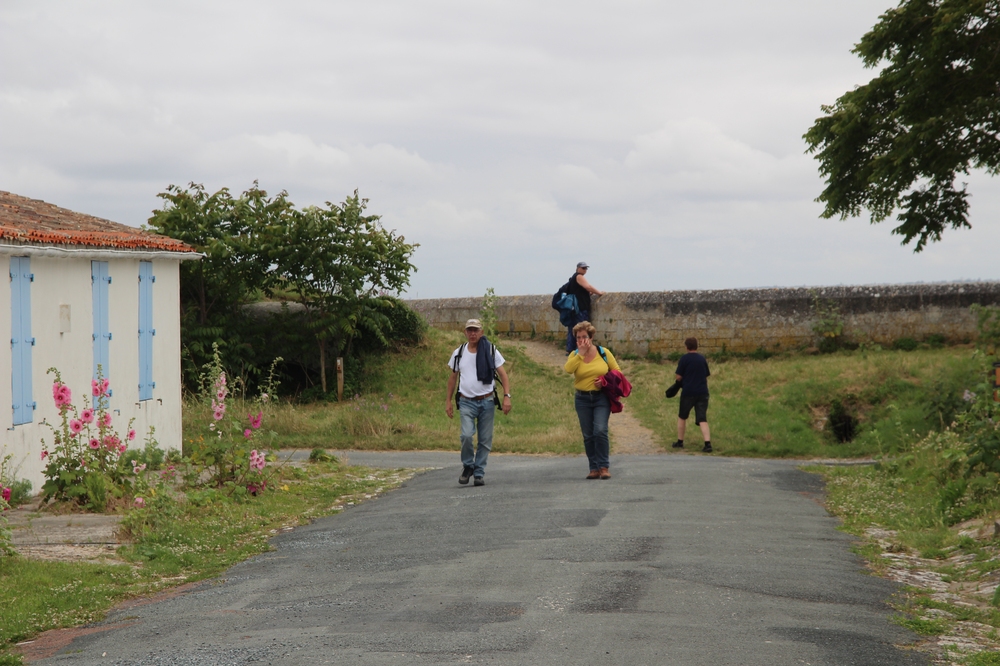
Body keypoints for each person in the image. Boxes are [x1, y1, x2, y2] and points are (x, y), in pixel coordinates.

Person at [445, 319, 512, 486]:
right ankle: (468, 466)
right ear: (465, 332)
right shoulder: (459, 352)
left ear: (481, 332)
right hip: (466, 401)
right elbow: (453, 378)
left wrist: (506, 396)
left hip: (487, 401)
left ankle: (479, 472)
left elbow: (503, 375)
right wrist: (448, 401)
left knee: (485, 440)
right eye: (469, 330)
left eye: (476, 330)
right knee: (466, 435)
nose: (473, 333)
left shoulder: (490, 350)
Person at [564, 320, 620, 479]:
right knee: (588, 435)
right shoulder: (575, 355)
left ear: (591, 337)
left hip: (601, 397)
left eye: (584, 337)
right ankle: (593, 468)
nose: (582, 341)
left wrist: (604, 381)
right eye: (578, 338)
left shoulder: (603, 353)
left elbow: (617, 372)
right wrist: (580, 354)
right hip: (582, 399)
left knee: (600, 430)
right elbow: (568, 369)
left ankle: (604, 466)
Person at [672, 337, 712, 453]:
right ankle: (707, 443)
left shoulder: (684, 359)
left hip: (688, 392)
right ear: (696, 346)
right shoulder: (702, 359)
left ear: (686, 347)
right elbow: (705, 375)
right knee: (702, 418)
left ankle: (680, 441)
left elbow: (678, 376)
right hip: (702, 392)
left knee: (682, 416)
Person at [564, 262, 605, 353]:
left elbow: (579, 291)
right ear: (578, 268)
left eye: (586, 268)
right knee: (582, 330)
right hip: (580, 308)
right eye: (583, 268)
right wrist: (599, 293)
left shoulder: (573, 279)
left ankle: (571, 350)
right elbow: (588, 286)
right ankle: (580, 349)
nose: (585, 270)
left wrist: (588, 294)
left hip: (574, 308)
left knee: (573, 329)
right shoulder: (579, 277)